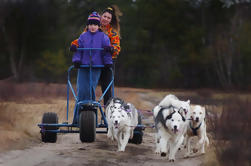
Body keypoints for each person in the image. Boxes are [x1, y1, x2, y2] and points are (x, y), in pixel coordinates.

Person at [70, 5, 122, 106]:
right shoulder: (92, 26)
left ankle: (108, 111)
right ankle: (86, 106)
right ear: (101, 16)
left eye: (108, 18)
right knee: (88, 85)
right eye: (105, 16)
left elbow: (117, 47)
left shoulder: (112, 32)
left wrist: (112, 49)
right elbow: (81, 40)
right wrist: (74, 45)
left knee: (106, 87)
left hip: (108, 60)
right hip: (93, 60)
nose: (106, 19)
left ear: (111, 20)